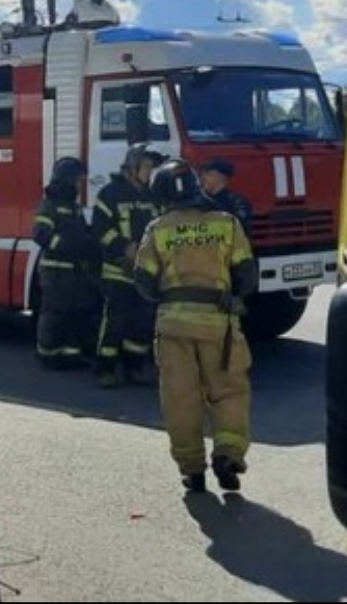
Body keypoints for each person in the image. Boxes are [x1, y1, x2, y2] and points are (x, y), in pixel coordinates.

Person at [133, 158, 259, 494]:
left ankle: (193, 470)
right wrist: (233, 295)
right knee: (229, 390)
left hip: (173, 326)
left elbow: (143, 281)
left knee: (180, 398)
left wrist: (168, 296)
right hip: (219, 325)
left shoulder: (157, 229)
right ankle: (228, 453)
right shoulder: (226, 223)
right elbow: (247, 275)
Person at [90, 143, 165, 388]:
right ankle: (105, 369)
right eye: (145, 166)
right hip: (118, 270)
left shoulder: (152, 196)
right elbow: (100, 229)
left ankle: (134, 367)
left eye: (152, 167)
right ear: (132, 167)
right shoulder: (110, 193)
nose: (149, 171)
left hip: (146, 272)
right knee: (115, 321)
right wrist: (125, 248)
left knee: (143, 321)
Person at [31, 157, 102, 370]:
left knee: (74, 313)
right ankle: (47, 354)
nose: (80, 185)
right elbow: (39, 234)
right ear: (67, 179)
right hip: (55, 270)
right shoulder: (49, 204)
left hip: (74, 271)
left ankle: (71, 355)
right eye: (77, 180)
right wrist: (64, 245)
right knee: (54, 313)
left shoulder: (73, 206)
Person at [199, 159, 252, 234]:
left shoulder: (237, 203)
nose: (202, 178)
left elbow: (239, 228)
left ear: (219, 176)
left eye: (207, 174)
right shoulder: (200, 201)